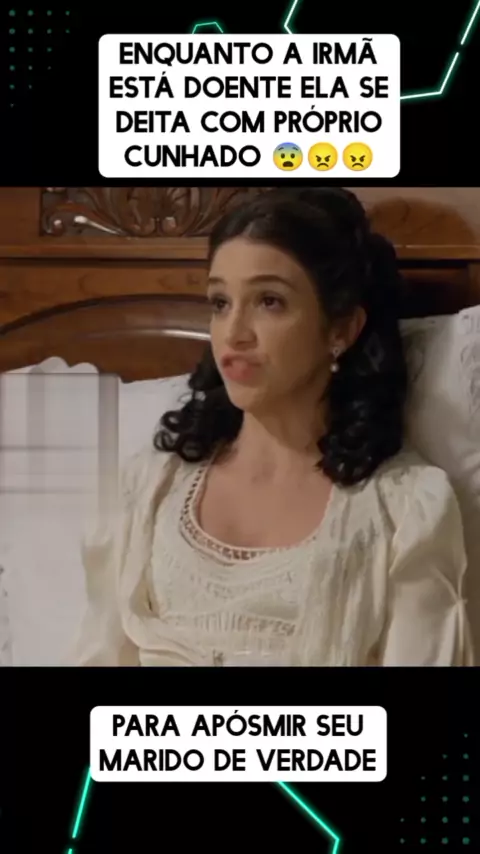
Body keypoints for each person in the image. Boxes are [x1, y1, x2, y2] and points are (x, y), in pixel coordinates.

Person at [70, 187, 473, 667]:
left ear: (341, 329)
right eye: (221, 302)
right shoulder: (147, 490)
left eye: (269, 301)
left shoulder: (403, 510)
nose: (234, 332)